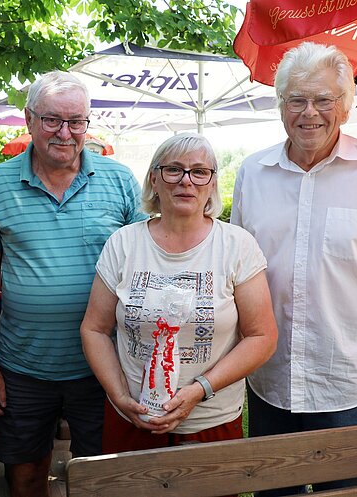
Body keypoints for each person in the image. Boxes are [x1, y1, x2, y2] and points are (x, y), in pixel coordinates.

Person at [230, 42, 357, 495]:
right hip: (271, 381)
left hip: (351, 386)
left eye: (323, 99)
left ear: (345, 107)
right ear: (280, 106)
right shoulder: (252, 172)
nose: (310, 113)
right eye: (296, 100)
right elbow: (237, 271)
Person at [0, 70, 146, 497]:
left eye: (76, 121)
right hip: (23, 366)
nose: (65, 133)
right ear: (29, 120)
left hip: (104, 367)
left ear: (88, 123)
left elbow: (146, 268)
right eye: (52, 120)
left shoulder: (120, 180)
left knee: (100, 478)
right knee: (25, 475)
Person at [80, 133, 278, 470]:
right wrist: (119, 396)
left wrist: (200, 389)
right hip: (133, 418)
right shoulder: (124, 244)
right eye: (173, 169)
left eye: (199, 172)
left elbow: (262, 336)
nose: (186, 180)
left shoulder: (237, 246)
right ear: (154, 180)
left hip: (210, 422)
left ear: (212, 184)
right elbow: (95, 329)